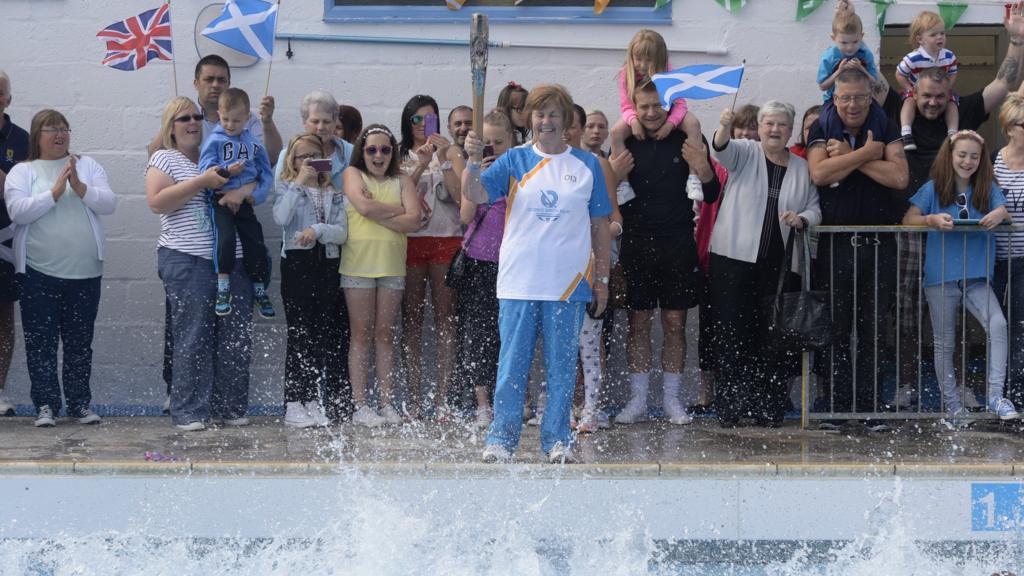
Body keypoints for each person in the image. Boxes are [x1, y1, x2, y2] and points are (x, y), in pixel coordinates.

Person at [883, 4, 1024, 408]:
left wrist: (1016, 40)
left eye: (940, 97)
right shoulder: (899, 109)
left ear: (950, 96)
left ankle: (960, 387)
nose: (932, 103)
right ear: (915, 92)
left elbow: (1003, 83)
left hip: (961, 236)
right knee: (910, 311)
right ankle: (908, 384)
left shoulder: (961, 114)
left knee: (958, 319)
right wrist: (848, 45)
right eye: (926, 96)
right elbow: (872, 84)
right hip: (918, 226)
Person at [462, 84, 611, 464]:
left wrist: (603, 280)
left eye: (554, 115)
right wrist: (472, 163)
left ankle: (558, 440)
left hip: (569, 282)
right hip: (519, 279)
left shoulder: (587, 165)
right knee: (512, 362)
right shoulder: (514, 160)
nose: (546, 121)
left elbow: (599, 226)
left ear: (567, 123)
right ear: (530, 120)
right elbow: (476, 195)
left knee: (562, 365)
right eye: (540, 114)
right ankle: (501, 438)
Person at [806, 67, 908, 430]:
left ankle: (869, 404)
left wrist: (849, 158)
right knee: (835, 328)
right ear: (834, 99)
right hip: (836, 246)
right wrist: (867, 153)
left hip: (879, 246)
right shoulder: (821, 126)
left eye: (860, 98)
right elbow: (819, 174)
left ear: (871, 96)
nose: (852, 105)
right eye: (845, 98)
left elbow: (899, 178)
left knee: (873, 329)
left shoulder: (887, 124)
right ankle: (834, 403)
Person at [613, 81, 720, 427]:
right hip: (636, 242)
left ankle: (673, 400)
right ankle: (639, 400)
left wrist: (702, 166)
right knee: (638, 323)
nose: (650, 112)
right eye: (643, 106)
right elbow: (604, 194)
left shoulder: (687, 137)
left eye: (657, 105)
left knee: (675, 324)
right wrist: (613, 176)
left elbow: (712, 192)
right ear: (634, 107)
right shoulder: (626, 140)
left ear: (669, 105)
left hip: (677, 242)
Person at [710, 101, 822, 427]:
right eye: (769, 124)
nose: (775, 130)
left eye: (782, 125)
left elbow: (815, 208)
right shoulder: (745, 152)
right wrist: (724, 126)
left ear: (790, 130)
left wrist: (801, 218)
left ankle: (767, 407)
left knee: (771, 339)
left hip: (779, 267)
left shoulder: (801, 168)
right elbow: (722, 150)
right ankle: (730, 407)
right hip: (732, 260)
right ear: (759, 128)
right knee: (733, 334)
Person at [146, 96, 254, 431]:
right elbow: (157, 202)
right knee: (193, 337)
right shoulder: (164, 158)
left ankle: (231, 407)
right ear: (171, 128)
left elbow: (258, 175)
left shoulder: (221, 151)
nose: (192, 122)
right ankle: (190, 411)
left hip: (231, 260)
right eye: (183, 119)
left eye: (196, 116)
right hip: (187, 259)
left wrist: (243, 191)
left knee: (235, 338)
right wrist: (201, 182)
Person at [5, 109, 116, 427]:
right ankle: (46, 405)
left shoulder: (88, 165)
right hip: (37, 274)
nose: (59, 134)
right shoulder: (22, 172)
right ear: (37, 135)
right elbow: (18, 212)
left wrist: (80, 188)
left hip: (85, 272)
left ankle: (80, 404)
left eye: (64, 128)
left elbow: (109, 203)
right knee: (41, 342)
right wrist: (54, 192)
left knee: (80, 343)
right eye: (52, 129)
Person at [902, 130, 1018, 422]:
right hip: (941, 277)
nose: (968, 161)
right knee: (945, 342)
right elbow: (908, 219)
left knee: (999, 324)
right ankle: (953, 405)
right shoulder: (933, 188)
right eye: (962, 155)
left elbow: (1004, 208)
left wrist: (1001, 213)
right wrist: (930, 219)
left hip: (976, 277)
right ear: (950, 156)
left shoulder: (987, 187)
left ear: (981, 160)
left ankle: (995, 396)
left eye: (974, 156)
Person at [341, 125, 421, 427]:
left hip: (391, 265)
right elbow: (361, 205)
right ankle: (361, 404)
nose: (378, 155)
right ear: (362, 150)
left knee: (385, 334)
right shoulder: (352, 174)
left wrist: (377, 210)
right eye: (372, 149)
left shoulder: (401, 179)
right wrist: (398, 209)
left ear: (393, 152)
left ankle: (387, 402)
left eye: (385, 149)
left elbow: (414, 221)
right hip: (358, 264)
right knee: (361, 334)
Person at [273, 134, 349, 428]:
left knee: (321, 334)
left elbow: (341, 232)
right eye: (301, 157)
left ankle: (314, 399)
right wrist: (298, 183)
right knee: (300, 333)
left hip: (327, 262)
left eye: (314, 156)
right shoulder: (286, 187)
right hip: (297, 262)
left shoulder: (334, 191)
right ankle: (294, 400)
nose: (308, 162)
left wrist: (317, 229)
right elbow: (281, 218)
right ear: (291, 161)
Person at [398, 94, 466, 420]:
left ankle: (442, 398)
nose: (423, 126)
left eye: (430, 119)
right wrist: (423, 161)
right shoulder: (399, 154)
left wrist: (444, 156)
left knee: (445, 318)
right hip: (411, 242)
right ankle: (411, 399)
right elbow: (400, 194)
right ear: (407, 122)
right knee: (411, 319)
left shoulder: (451, 152)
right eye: (416, 120)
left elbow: (459, 195)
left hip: (446, 239)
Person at [453, 109, 513, 429]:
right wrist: (475, 170)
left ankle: (513, 399)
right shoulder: (472, 171)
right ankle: (482, 405)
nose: (493, 149)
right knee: (479, 335)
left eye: (499, 143)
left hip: (514, 263)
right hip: (479, 262)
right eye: (486, 143)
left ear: (511, 142)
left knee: (511, 334)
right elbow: (465, 215)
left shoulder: (519, 172)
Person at [198, 87, 274, 318]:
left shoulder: (253, 142)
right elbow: (204, 171)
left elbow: (266, 172)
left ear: (247, 117)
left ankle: (259, 287)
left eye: (237, 120)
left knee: (255, 241)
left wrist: (256, 195)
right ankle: (223, 287)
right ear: (219, 113)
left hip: (245, 202)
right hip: (220, 199)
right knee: (226, 240)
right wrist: (226, 172)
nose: (230, 125)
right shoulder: (214, 140)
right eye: (225, 119)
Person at [609, 29, 705, 201]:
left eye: (648, 60)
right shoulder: (626, 74)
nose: (642, 65)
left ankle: (693, 177)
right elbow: (625, 106)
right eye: (638, 59)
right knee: (615, 132)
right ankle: (623, 183)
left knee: (693, 124)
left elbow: (681, 105)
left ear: (659, 59)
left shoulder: (670, 73)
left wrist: (671, 124)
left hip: (671, 114)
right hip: (636, 115)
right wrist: (633, 121)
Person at [147, 54, 282, 164]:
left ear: (229, 84)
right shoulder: (183, 116)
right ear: (196, 83)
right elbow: (153, 156)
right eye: (209, 79)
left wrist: (268, 122)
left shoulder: (246, 118)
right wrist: (170, 119)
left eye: (221, 80)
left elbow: (271, 159)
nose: (215, 85)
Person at [991, 93, 1024, 409]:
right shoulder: (992, 160)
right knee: (993, 327)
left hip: (1023, 260)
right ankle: (994, 395)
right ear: (1010, 127)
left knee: (1017, 328)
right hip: (993, 259)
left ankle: (1014, 396)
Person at [0, 70, 26, 417]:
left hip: (6, 241)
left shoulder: (22, 140)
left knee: (4, 320)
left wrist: (8, 183)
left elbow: (35, 189)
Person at [896, 11, 960, 151]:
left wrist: (947, 88)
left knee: (952, 103)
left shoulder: (948, 55)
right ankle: (906, 133)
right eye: (933, 34)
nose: (940, 37)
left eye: (942, 33)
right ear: (920, 39)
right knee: (908, 102)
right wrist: (910, 89)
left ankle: (952, 135)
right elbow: (900, 74)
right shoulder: (913, 58)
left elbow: (953, 72)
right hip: (917, 91)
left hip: (940, 91)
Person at [816, 5, 879, 104]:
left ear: (861, 36)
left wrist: (860, 68)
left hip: (862, 100)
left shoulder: (865, 54)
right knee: (829, 119)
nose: (850, 47)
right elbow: (822, 86)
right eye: (844, 43)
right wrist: (840, 71)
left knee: (879, 117)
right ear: (833, 38)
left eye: (855, 42)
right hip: (833, 101)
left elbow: (875, 82)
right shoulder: (829, 57)